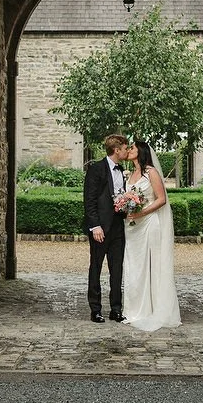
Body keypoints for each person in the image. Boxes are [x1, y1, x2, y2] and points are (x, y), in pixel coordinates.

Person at [121, 139, 181, 331]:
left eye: (132, 147)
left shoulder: (150, 172)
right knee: (133, 266)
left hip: (148, 223)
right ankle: (133, 309)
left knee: (151, 265)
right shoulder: (130, 174)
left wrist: (141, 213)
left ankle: (152, 309)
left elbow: (161, 199)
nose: (129, 150)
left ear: (141, 151)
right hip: (131, 227)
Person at [83, 133, 130, 323]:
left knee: (116, 269)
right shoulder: (96, 169)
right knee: (96, 267)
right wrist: (95, 226)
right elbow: (89, 199)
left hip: (119, 226)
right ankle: (95, 309)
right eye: (125, 148)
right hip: (100, 228)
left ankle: (116, 309)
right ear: (116, 150)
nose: (127, 151)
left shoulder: (124, 170)